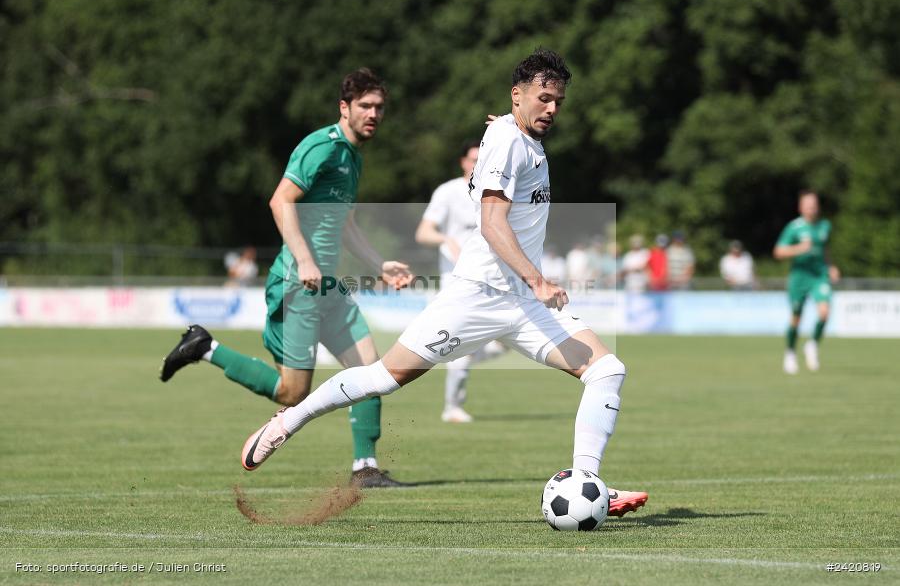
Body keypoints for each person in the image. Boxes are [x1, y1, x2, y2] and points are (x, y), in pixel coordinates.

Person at [240, 48, 648, 517]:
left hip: (522, 305)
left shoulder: (516, 137)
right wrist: (537, 279)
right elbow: (493, 224)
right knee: (384, 378)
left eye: (558, 100)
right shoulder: (508, 139)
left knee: (607, 370)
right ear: (518, 95)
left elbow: (504, 147)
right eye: (543, 98)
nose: (552, 108)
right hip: (476, 296)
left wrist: (504, 129)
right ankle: (288, 421)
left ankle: (586, 482)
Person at [159, 68, 413, 487]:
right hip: (298, 284)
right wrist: (305, 259)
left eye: (379, 107)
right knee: (292, 393)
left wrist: (379, 264)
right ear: (344, 107)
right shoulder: (322, 147)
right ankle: (205, 347)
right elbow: (280, 200)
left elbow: (346, 224)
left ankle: (364, 469)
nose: (373, 114)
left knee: (372, 371)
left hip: (328, 288)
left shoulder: (352, 158)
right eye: (365, 106)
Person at [415, 140, 505, 423]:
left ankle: (452, 360)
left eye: (483, 159)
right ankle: (452, 407)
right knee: (460, 346)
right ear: (463, 162)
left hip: (493, 281)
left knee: (501, 344)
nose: (477, 164)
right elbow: (423, 232)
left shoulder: (497, 192)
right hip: (458, 284)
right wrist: (446, 239)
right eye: (473, 159)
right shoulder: (449, 191)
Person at [774, 190, 840, 374]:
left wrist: (831, 266)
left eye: (814, 205)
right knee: (796, 317)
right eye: (808, 205)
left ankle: (812, 345)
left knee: (825, 312)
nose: (812, 208)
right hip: (799, 277)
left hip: (819, 276)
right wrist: (799, 248)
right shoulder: (794, 228)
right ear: (801, 207)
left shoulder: (825, 226)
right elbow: (778, 252)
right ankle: (790, 353)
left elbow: (825, 250)